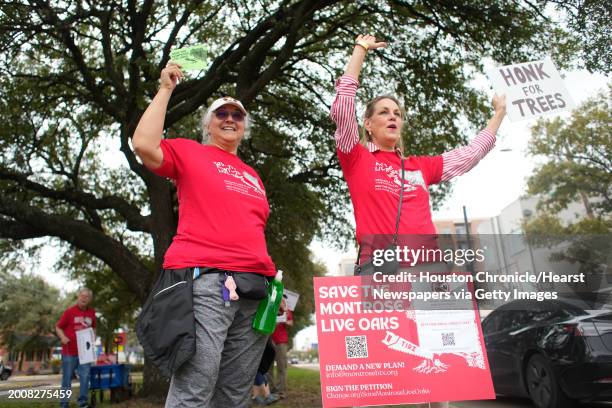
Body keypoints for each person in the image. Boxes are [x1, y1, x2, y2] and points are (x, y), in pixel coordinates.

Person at [330, 35, 507, 408]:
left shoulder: (419, 167)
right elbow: (342, 109)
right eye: (383, 112)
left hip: (430, 273)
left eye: (397, 113)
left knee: (438, 372)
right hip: (381, 271)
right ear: (368, 125)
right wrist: (359, 51)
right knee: (386, 369)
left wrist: (498, 115)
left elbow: (469, 155)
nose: (393, 116)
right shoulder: (356, 158)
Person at [132, 62, 276, 408]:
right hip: (209, 283)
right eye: (221, 113)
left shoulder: (253, 175)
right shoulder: (190, 152)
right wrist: (166, 89)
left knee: (234, 395)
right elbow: (143, 144)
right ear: (207, 125)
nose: (229, 119)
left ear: (245, 127)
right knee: (195, 388)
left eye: (237, 115)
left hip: (256, 291)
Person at [56, 287, 96, 408]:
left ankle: (82, 402)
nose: (84, 298)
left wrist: (93, 337)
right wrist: (62, 337)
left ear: (90, 299)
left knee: (85, 377)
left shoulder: (92, 313)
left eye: (87, 296)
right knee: (67, 378)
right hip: (69, 351)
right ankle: (64, 404)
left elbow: (93, 327)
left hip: (85, 352)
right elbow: (58, 327)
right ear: (78, 297)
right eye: (82, 296)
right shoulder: (69, 312)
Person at [269, 295, 293, 399]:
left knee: (281, 367)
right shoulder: (270, 308)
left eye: (283, 300)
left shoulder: (287, 311)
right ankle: (271, 389)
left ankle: (280, 391)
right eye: (280, 299)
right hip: (269, 340)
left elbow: (291, 323)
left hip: (281, 341)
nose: (282, 301)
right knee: (268, 367)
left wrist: (284, 320)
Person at [252, 340, 280, 406]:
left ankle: (257, 396)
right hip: (257, 337)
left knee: (262, 369)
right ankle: (266, 395)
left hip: (265, 337)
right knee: (259, 369)